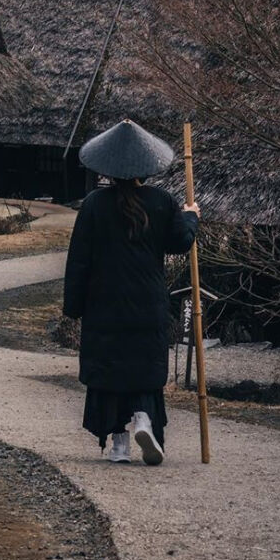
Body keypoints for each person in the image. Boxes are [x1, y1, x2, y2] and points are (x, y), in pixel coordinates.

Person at [62, 119, 199, 465]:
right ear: (146, 168)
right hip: (147, 301)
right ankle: (143, 417)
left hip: (104, 302)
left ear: (107, 168)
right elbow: (180, 241)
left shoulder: (94, 204)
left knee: (110, 370)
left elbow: (79, 259)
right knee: (142, 365)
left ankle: (119, 445)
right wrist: (191, 217)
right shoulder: (162, 202)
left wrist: (73, 307)